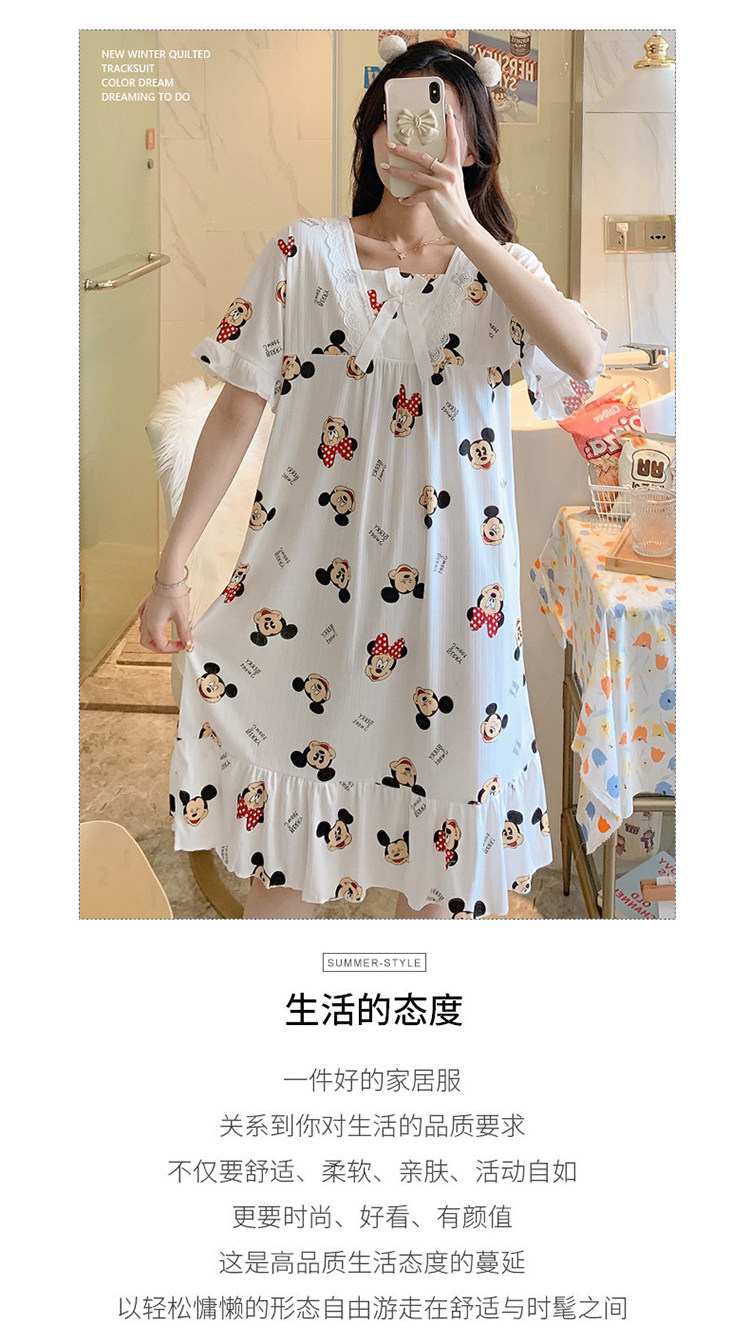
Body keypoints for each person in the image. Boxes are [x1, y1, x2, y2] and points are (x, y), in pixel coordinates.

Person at [139, 39, 606, 920]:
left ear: (474, 144)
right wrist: (171, 570)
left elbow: (583, 358)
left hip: (453, 620)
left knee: (444, 871)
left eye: (438, 119)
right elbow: (235, 411)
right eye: (396, 117)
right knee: (281, 868)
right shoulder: (302, 256)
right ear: (372, 133)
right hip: (308, 604)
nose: (411, 138)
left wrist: (466, 230)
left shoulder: (502, 274)